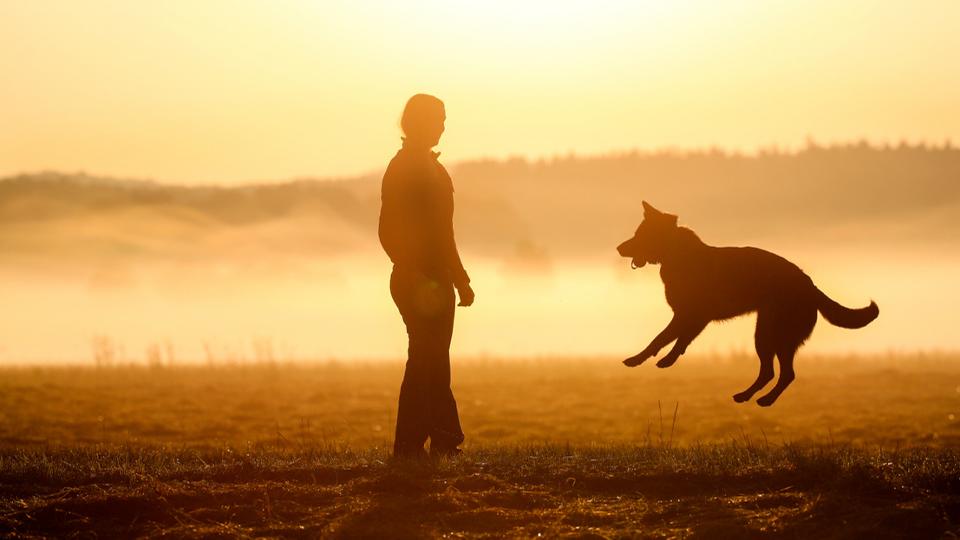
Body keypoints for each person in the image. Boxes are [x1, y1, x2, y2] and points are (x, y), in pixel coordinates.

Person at [379, 94, 475, 459]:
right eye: (438, 119)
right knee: (427, 357)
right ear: (418, 122)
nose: (444, 126)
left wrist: (460, 279)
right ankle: (436, 441)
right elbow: (388, 230)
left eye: (445, 119)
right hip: (416, 280)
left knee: (430, 358)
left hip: (437, 279)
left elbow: (444, 234)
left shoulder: (434, 169)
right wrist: (415, 273)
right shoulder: (403, 167)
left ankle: (421, 444)